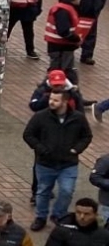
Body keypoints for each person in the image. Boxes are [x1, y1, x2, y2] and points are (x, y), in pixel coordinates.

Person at [22, 74, 92, 230]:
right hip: (45, 163)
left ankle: (58, 215)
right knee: (43, 192)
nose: (51, 102)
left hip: (68, 163)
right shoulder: (41, 117)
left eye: (55, 100)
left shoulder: (78, 118)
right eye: (50, 99)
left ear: (65, 101)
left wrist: (76, 149)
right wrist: (40, 149)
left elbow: (87, 136)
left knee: (67, 191)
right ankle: (41, 217)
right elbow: (28, 134)